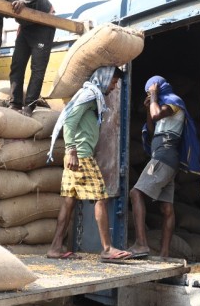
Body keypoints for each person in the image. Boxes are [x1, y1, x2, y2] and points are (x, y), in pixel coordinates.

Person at [46, 66, 136, 261]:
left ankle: (55, 247)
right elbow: (69, 121)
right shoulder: (88, 95)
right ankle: (107, 248)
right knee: (101, 198)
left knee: (69, 202)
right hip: (81, 156)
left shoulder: (93, 96)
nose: (114, 87)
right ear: (104, 78)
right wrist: (71, 150)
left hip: (77, 156)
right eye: (113, 82)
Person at [129, 76, 200, 258]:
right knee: (166, 209)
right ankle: (164, 254)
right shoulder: (161, 108)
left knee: (135, 193)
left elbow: (156, 115)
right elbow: (152, 129)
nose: (150, 96)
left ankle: (141, 244)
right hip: (166, 159)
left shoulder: (174, 103)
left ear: (159, 89)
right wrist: (149, 106)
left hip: (164, 157)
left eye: (151, 91)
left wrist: (154, 97)